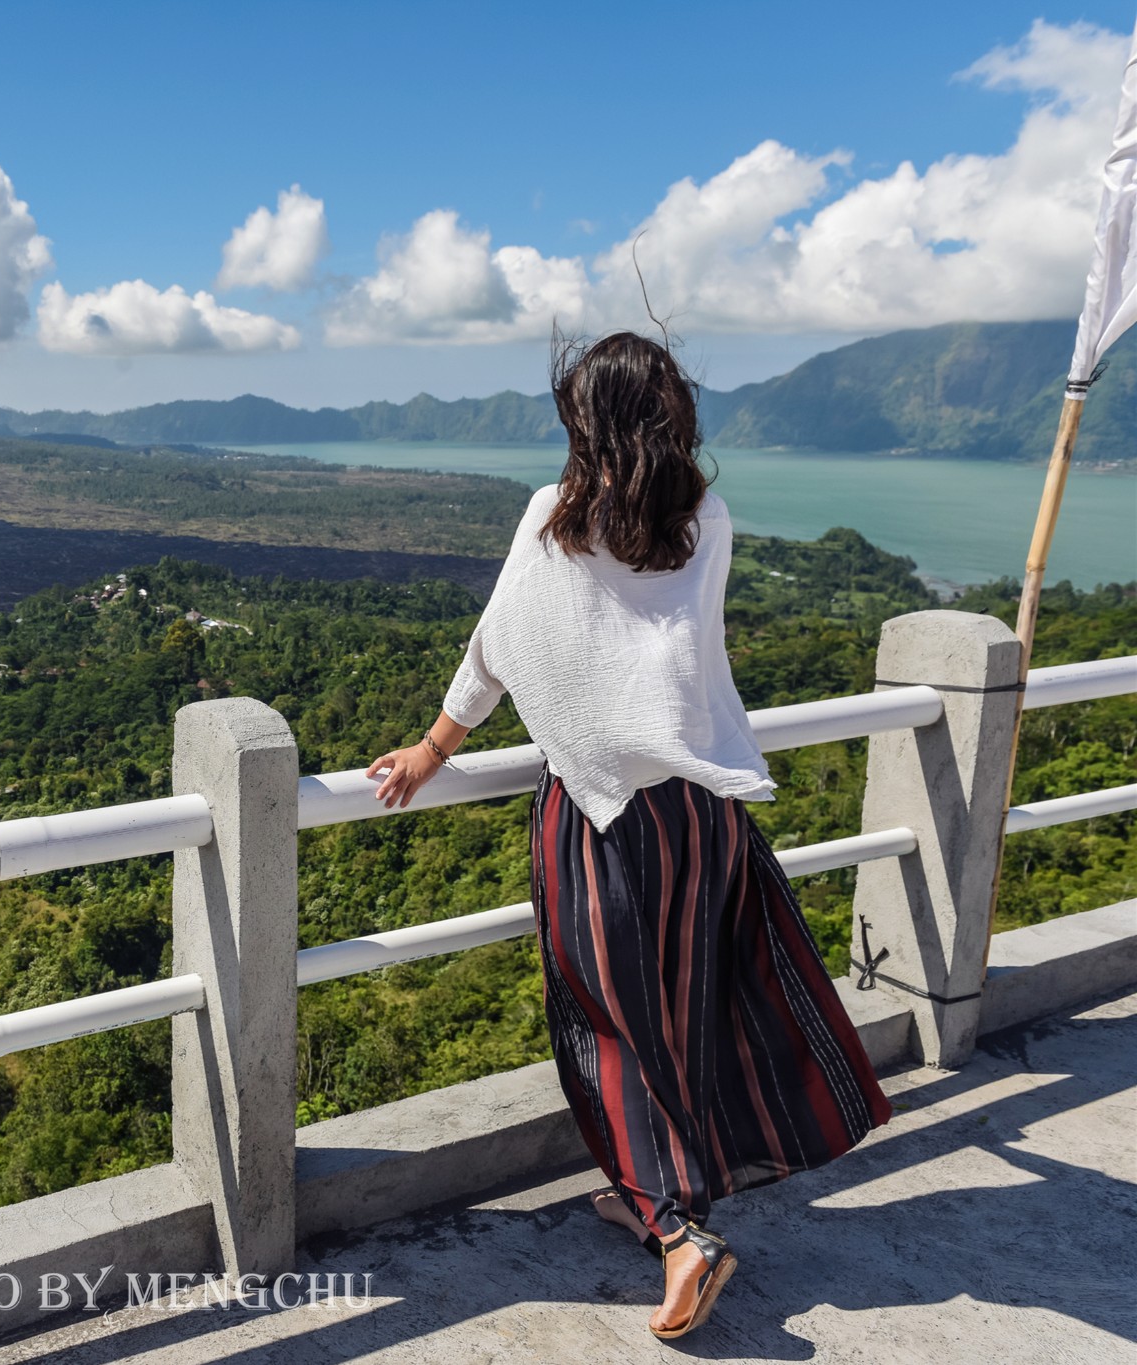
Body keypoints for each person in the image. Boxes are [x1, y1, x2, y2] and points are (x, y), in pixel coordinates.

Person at [365, 331, 891, 1341]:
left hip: (598, 816)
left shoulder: (552, 517)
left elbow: (502, 643)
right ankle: (652, 1198)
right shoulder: (706, 518)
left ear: (586, 424)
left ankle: (679, 1232)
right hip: (700, 812)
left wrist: (434, 747)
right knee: (693, 1007)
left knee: (604, 1023)